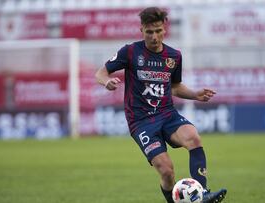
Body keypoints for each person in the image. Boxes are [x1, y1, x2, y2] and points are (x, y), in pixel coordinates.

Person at [95, 7, 227, 203]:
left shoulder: (174, 57)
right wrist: (107, 82)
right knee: (167, 171)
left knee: (193, 137)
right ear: (142, 31)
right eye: (149, 32)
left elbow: (174, 87)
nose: (154, 36)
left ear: (164, 29)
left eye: (158, 31)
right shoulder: (130, 51)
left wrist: (195, 95)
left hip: (167, 114)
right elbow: (100, 73)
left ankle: (203, 194)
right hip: (141, 122)